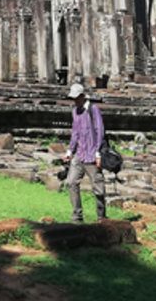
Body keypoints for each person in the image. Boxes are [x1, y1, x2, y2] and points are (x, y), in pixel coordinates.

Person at [63, 82, 106, 223]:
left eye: (76, 98)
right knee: (71, 183)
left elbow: (100, 131)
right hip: (79, 154)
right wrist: (70, 150)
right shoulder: (75, 111)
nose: (75, 101)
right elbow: (75, 132)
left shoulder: (93, 110)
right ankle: (77, 216)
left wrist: (98, 153)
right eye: (73, 98)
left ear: (82, 96)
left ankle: (101, 216)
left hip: (92, 154)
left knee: (98, 188)